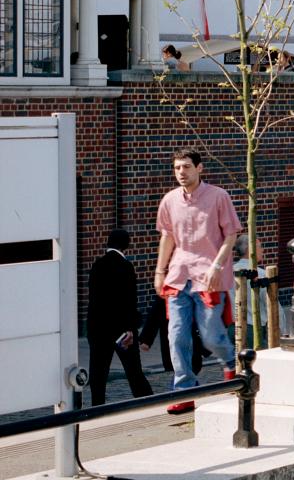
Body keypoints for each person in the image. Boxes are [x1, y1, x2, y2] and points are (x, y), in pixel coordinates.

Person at [153, 147, 239, 412]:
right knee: (176, 336)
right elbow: (167, 236)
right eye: (177, 167)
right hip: (179, 275)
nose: (181, 172)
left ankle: (232, 364)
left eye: (187, 167)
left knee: (211, 337)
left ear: (199, 168)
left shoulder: (218, 197)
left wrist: (216, 266)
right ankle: (184, 390)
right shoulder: (169, 200)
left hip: (208, 276)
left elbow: (231, 234)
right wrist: (160, 271)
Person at [86, 229, 152, 405]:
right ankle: (148, 401)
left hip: (98, 328)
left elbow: (93, 299)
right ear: (126, 245)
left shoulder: (96, 265)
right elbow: (130, 301)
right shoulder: (126, 266)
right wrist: (131, 328)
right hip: (121, 330)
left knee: (98, 373)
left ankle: (97, 407)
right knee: (134, 371)